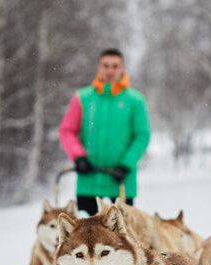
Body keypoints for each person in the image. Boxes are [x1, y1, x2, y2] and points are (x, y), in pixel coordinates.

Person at [59, 48, 151, 216]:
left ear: (122, 68)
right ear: (99, 68)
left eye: (115, 66)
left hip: (122, 181)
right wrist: (78, 157)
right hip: (88, 180)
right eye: (106, 65)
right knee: (86, 236)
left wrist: (126, 164)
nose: (110, 70)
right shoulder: (83, 97)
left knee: (123, 235)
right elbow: (67, 131)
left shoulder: (135, 100)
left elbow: (142, 135)